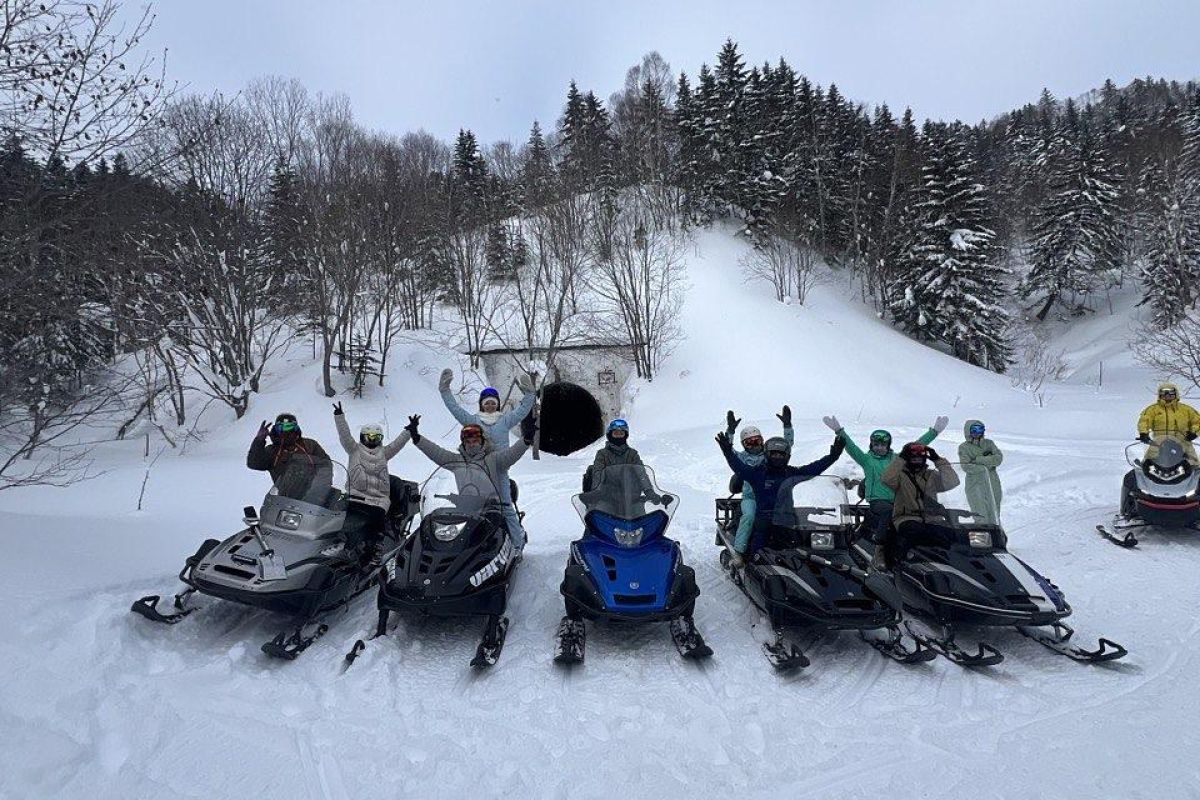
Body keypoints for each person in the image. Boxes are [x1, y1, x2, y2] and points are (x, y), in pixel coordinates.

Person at [404, 411, 537, 553]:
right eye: (468, 442)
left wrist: (525, 440)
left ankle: (514, 549)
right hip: (465, 508)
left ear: (482, 441)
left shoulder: (493, 459)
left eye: (475, 441)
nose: (472, 445)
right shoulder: (457, 461)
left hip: (490, 508)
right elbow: (437, 453)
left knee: (487, 536)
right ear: (463, 443)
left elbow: (511, 455)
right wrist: (417, 438)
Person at [716, 430, 845, 566]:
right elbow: (739, 467)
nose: (777, 457)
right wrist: (728, 452)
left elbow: (814, 468)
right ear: (767, 454)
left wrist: (833, 456)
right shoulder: (757, 473)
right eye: (774, 453)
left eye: (780, 454)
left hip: (786, 522)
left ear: (787, 456)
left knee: (800, 552)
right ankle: (741, 556)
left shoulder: (791, 473)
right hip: (764, 523)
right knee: (756, 556)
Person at [822, 415, 948, 543]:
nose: (879, 447)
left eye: (883, 445)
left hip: (896, 500)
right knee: (888, 511)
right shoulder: (866, 460)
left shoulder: (895, 459)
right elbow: (851, 447)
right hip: (877, 500)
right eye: (876, 445)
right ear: (871, 445)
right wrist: (839, 431)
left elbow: (915, 447)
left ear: (888, 446)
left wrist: (934, 432)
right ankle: (879, 538)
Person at [331, 401, 411, 560]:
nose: (372, 440)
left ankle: (373, 549)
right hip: (354, 497)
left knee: (375, 522)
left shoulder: (384, 453)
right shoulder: (354, 449)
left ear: (380, 439)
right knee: (336, 515)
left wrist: (409, 430)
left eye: (376, 437)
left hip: (377, 501)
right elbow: (344, 436)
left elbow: (398, 444)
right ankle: (334, 543)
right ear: (363, 437)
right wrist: (339, 417)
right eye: (369, 437)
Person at [725, 406, 794, 563]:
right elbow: (728, 450)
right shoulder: (742, 458)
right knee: (749, 516)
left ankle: (790, 547)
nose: (755, 445)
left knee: (789, 517)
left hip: (772, 497)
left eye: (757, 440)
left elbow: (787, 445)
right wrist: (730, 431)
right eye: (750, 443)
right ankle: (739, 551)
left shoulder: (769, 454)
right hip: (751, 498)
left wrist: (787, 426)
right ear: (744, 445)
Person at [876, 442, 960, 571]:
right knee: (913, 530)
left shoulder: (931, 475)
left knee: (951, 535)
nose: (917, 461)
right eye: (913, 458)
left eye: (920, 458)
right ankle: (897, 564)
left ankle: (949, 565)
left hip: (931, 518)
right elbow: (886, 479)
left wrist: (938, 460)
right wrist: (901, 458)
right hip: (906, 517)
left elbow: (952, 482)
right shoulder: (901, 476)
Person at [246, 412, 333, 504]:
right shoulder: (272, 451)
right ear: (276, 429)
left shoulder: (309, 445)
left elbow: (326, 465)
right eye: (281, 427)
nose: (285, 431)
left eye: (289, 427)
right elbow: (254, 463)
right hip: (286, 500)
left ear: (295, 428)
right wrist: (259, 441)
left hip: (315, 497)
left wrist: (318, 489)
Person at [439, 368, 536, 447]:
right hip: (480, 464)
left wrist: (530, 394)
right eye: (487, 403)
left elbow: (522, 411)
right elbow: (455, 409)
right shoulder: (474, 421)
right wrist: (445, 391)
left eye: (493, 403)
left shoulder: (505, 421)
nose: (490, 406)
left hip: (501, 464)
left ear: (497, 405)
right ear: (482, 405)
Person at [1136, 382, 1200, 465]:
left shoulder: (1186, 409)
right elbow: (1144, 421)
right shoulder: (1152, 409)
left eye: (1171, 394)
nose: (1167, 396)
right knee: (1147, 464)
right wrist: (1143, 433)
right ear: (1160, 395)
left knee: (1194, 464)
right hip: (1159, 443)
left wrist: (1194, 433)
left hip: (1183, 442)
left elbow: (1198, 421)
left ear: (1176, 394)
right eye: (1164, 394)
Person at [958, 419, 1003, 525]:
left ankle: (995, 535)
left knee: (995, 515)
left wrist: (978, 460)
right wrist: (987, 464)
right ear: (968, 431)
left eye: (980, 429)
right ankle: (981, 535)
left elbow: (998, 459)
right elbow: (966, 466)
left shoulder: (989, 444)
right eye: (974, 430)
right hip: (975, 484)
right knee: (980, 516)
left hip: (992, 483)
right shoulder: (964, 447)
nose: (977, 433)